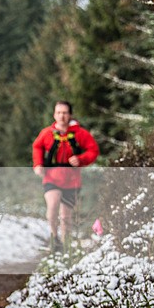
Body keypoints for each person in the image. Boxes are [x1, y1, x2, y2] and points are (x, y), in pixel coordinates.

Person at [32, 101, 99, 252]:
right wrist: (38, 164)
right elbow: (37, 146)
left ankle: (65, 246)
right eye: (58, 113)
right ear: (54, 115)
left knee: (66, 216)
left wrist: (81, 159)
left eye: (64, 113)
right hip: (51, 178)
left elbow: (93, 150)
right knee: (53, 206)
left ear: (70, 115)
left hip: (72, 180)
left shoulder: (80, 134)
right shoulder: (47, 133)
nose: (61, 116)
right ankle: (54, 237)